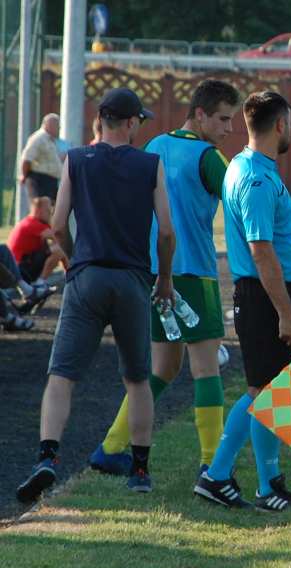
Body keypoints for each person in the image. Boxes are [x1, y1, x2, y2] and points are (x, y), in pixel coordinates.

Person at [15, 87, 176, 503]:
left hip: (87, 276)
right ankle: (140, 469)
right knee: (138, 379)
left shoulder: (76, 160)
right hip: (132, 279)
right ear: (127, 122)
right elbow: (168, 231)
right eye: (138, 120)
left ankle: (47, 457)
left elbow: (59, 225)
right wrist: (165, 280)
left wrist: (73, 261)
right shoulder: (150, 164)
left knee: (61, 377)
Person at [194, 91, 291, 512]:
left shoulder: (248, 167)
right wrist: (285, 313)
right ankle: (217, 476)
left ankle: (269, 484)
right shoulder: (257, 178)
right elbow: (260, 250)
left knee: (275, 390)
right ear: (280, 124)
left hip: (265, 293)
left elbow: (268, 237)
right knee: (265, 391)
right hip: (265, 298)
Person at [89, 80, 241, 478]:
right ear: (201, 114)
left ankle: (110, 447)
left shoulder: (154, 146)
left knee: (162, 369)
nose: (229, 129)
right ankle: (214, 464)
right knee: (206, 368)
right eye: (224, 119)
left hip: (156, 276)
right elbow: (244, 202)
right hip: (194, 276)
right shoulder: (210, 157)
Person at [7, 196, 68, 285]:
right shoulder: (35, 224)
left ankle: (69, 276)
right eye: (48, 210)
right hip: (20, 270)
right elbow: (58, 240)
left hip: (19, 266)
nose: (50, 213)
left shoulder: (29, 221)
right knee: (59, 251)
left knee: (57, 250)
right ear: (39, 211)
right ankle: (40, 283)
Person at [20, 114, 63, 201]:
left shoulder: (49, 140)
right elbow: (27, 159)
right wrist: (24, 175)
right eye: (57, 126)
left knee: (50, 210)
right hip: (39, 181)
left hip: (50, 181)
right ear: (49, 125)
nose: (59, 129)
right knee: (41, 210)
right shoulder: (38, 138)